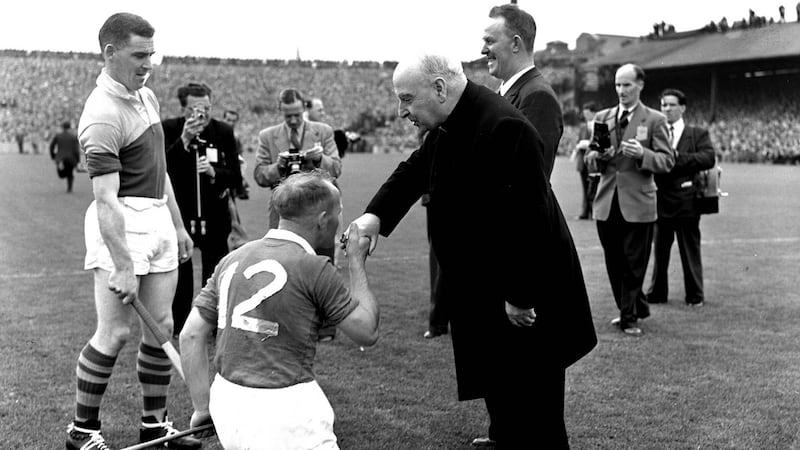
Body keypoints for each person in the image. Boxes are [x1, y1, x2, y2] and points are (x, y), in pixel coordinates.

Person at [347, 53, 596, 449]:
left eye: (407, 99)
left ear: (440, 88)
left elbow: (530, 220)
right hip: (486, 289)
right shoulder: (453, 121)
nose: (401, 112)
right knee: (504, 392)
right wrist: (375, 216)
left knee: (538, 411)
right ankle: (506, 435)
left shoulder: (505, 126)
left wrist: (519, 294)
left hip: (524, 297)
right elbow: (415, 168)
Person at [66, 12, 200, 450]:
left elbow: (160, 173)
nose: (149, 63)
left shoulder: (147, 97)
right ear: (110, 52)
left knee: (163, 324)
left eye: (152, 54)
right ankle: (82, 431)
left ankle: (154, 425)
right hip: (122, 223)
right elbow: (105, 200)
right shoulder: (101, 114)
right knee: (115, 332)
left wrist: (177, 225)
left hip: (158, 218)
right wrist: (122, 265)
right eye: (139, 55)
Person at [180, 170, 379, 449]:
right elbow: (366, 331)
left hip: (227, 402)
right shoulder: (314, 267)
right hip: (287, 410)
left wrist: (203, 407)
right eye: (338, 213)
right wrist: (357, 261)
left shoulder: (231, 259)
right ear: (323, 220)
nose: (339, 221)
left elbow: (190, 335)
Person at [584, 63, 675, 337]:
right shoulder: (603, 117)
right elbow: (592, 158)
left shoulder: (655, 119)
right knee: (614, 262)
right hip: (607, 201)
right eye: (617, 85)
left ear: (640, 86)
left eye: (627, 85)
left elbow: (667, 161)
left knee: (635, 263)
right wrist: (599, 155)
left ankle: (629, 317)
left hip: (638, 203)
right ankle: (635, 307)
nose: (621, 91)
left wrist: (642, 155)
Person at [163, 82, 242, 336]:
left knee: (216, 271)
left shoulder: (223, 132)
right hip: (181, 214)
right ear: (183, 108)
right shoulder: (168, 129)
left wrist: (213, 172)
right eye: (195, 109)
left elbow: (236, 178)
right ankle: (180, 324)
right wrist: (184, 140)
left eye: (207, 108)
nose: (202, 115)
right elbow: (161, 169)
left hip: (215, 214)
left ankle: (213, 323)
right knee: (181, 273)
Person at [646, 89, 716, 307]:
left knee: (689, 250)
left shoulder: (697, 133)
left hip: (688, 201)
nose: (666, 109)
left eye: (671, 105)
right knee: (660, 252)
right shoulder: (654, 131)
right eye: (663, 105)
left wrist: (676, 159)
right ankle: (657, 293)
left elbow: (708, 158)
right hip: (661, 199)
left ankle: (695, 295)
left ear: (682, 108)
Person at [253, 88, 341, 252]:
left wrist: (319, 159)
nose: (293, 120)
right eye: (288, 116)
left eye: (297, 115)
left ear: (304, 109)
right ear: (280, 110)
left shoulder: (323, 131)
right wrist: (278, 166)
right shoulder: (267, 136)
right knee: (284, 261)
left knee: (321, 264)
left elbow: (336, 168)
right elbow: (259, 175)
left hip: (318, 210)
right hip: (283, 212)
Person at [482, 3, 563, 179]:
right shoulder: (503, 93)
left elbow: (526, 181)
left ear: (516, 44)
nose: (483, 50)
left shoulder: (538, 98)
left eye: (490, 41)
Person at [573, 102, 600, 220]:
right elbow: (578, 142)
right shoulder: (583, 127)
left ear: (594, 113)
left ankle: (594, 211)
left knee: (594, 187)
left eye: (587, 113)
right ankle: (585, 212)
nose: (585, 116)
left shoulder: (599, 126)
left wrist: (588, 144)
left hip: (594, 162)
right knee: (585, 188)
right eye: (584, 113)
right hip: (582, 162)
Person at [49, 121, 82, 193]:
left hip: (61, 157)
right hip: (71, 158)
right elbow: (76, 150)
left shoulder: (58, 136)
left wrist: (53, 155)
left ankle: (62, 168)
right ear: (70, 127)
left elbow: (51, 146)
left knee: (61, 174)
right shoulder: (73, 137)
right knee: (70, 173)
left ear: (62, 127)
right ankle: (70, 188)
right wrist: (78, 161)